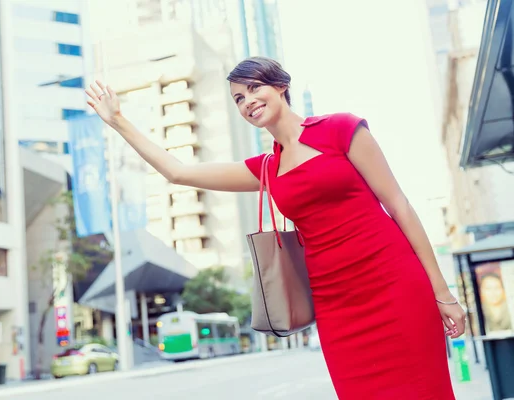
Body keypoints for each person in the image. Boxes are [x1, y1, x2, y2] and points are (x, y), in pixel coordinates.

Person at [85, 56, 466, 399]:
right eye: (238, 98)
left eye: (254, 88)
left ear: (280, 86)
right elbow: (178, 172)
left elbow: (398, 205)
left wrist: (443, 292)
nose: (247, 100)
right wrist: (118, 121)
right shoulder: (266, 168)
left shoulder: (340, 129)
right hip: (337, 307)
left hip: (394, 286)